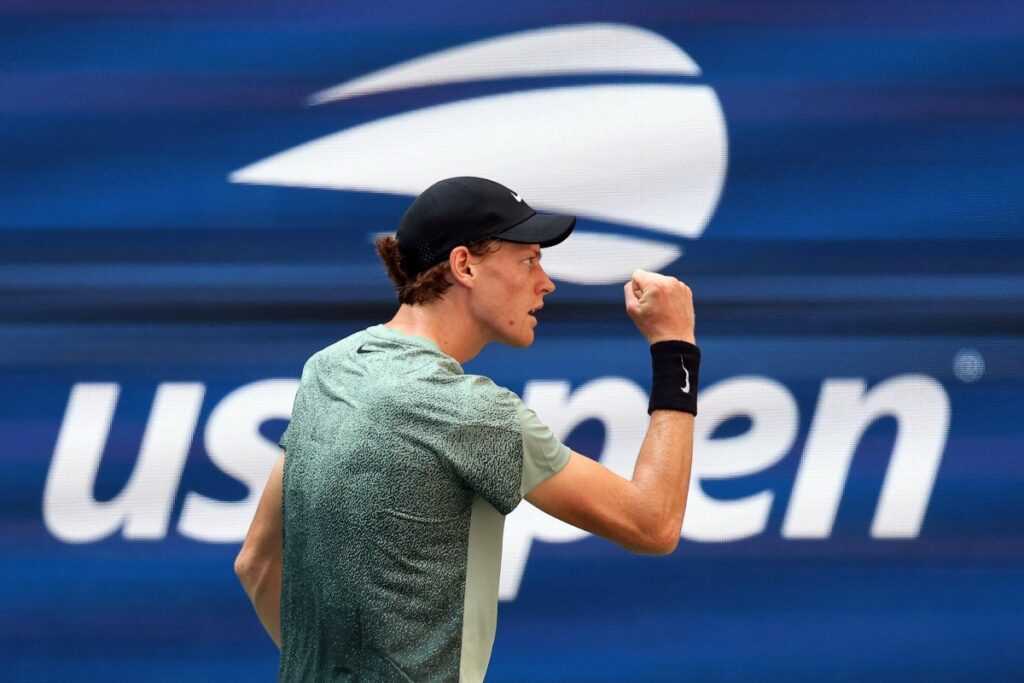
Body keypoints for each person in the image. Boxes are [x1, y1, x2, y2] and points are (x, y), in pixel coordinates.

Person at [235, 176, 700, 682]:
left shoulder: (327, 370)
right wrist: (674, 346)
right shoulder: (472, 414)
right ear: (465, 265)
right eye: (528, 260)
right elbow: (653, 524)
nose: (546, 282)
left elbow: (256, 564)